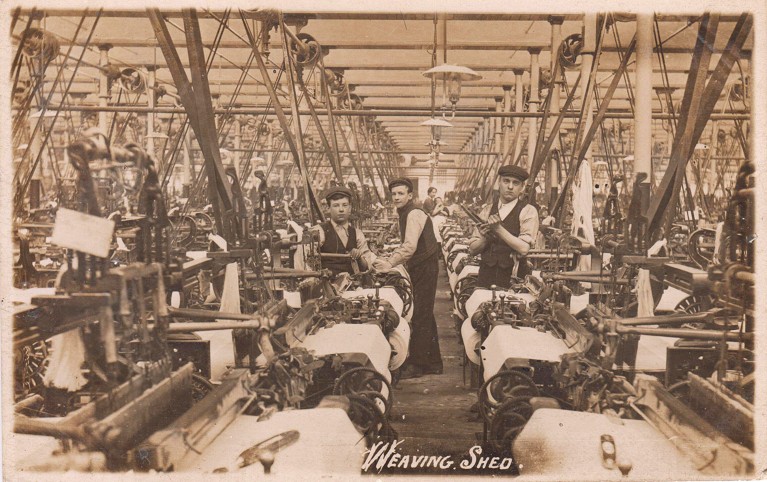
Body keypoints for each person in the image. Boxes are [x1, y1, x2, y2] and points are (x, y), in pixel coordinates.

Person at [373, 178, 442, 379]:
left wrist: (389, 263)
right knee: (425, 311)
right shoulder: (406, 212)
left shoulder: (413, 213)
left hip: (425, 266)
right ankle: (434, 362)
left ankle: (418, 365)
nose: (396, 198)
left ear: (410, 195)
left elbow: (410, 247)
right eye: (394, 194)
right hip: (421, 265)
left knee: (420, 313)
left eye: (400, 194)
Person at [468, 165, 539, 289]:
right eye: (506, 181)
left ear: (522, 188)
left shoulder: (528, 211)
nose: (510, 187)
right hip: (485, 277)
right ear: (498, 183)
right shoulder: (487, 210)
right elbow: (472, 250)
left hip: (515, 281)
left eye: (515, 183)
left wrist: (498, 229)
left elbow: (523, 248)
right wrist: (485, 238)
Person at [311, 186, 376, 276]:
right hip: (327, 284)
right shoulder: (319, 231)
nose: (341, 209)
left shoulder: (357, 234)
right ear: (328, 208)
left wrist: (359, 257)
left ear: (349, 208)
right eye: (336, 205)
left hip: (352, 284)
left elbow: (366, 267)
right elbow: (308, 261)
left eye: (345, 205)